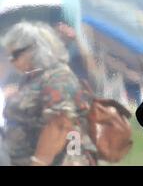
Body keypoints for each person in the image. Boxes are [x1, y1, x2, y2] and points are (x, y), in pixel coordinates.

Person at [1, 21, 97, 166]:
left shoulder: (59, 78)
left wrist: (39, 162)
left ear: (35, 49)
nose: (12, 61)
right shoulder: (32, 78)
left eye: (15, 55)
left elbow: (60, 124)